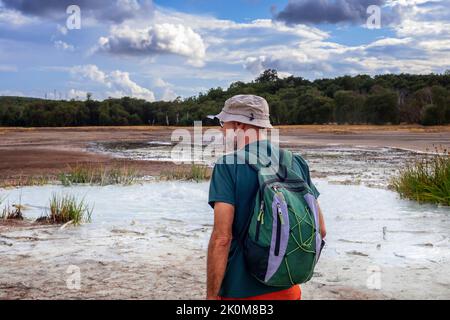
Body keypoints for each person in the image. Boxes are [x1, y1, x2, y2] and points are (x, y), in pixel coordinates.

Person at [206, 95, 326, 300]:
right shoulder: (295, 161)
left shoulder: (227, 166)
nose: (221, 129)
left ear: (237, 124)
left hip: (240, 292)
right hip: (289, 289)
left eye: (222, 123)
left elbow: (221, 239)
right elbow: (321, 230)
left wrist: (211, 296)